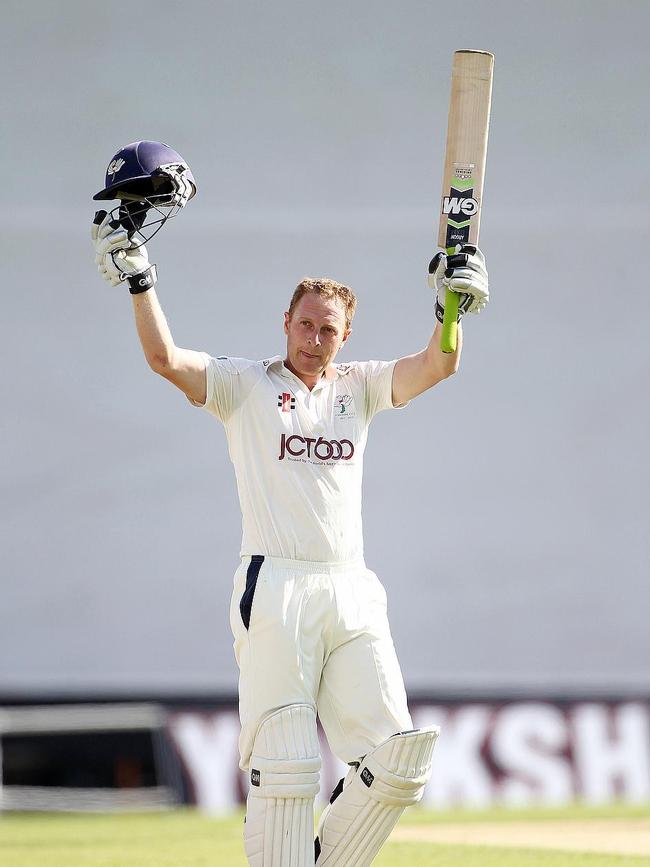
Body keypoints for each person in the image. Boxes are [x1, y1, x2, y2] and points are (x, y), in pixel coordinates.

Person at [92, 149, 489, 866]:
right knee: (284, 776)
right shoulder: (244, 386)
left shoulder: (360, 388)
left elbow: (440, 363)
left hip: (351, 586)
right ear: (285, 322)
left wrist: (452, 305)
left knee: (399, 763)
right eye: (305, 324)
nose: (314, 339)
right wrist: (140, 280)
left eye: (328, 329)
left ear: (346, 336)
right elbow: (165, 357)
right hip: (274, 585)